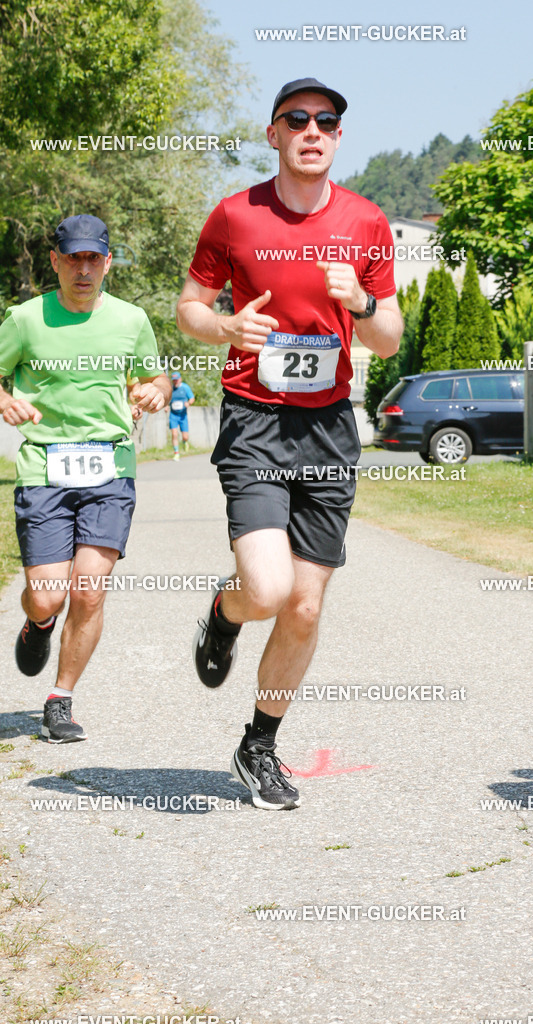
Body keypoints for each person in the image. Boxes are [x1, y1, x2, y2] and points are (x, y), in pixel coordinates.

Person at [176, 78, 403, 809]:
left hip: (328, 425)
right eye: (296, 119)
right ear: (273, 133)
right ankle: (224, 612)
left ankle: (258, 746)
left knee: (304, 605)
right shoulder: (235, 216)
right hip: (255, 419)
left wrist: (360, 303)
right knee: (267, 591)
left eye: (327, 120)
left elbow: (387, 336)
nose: (312, 129)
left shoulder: (366, 223)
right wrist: (225, 327)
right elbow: (189, 307)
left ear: (338, 137)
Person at [0, 214, 170, 743]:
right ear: (55, 261)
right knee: (48, 595)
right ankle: (39, 623)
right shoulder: (25, 319)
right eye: (72, 257)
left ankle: (61, 698)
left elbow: (153, 375)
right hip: (45, 468)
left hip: (110, 467)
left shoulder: (131, 319)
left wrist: (156, 390)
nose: (83, 268)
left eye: (92, 258)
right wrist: (6, 399)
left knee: (89, 591)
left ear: (107, 263)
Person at [168, 371, 195, 460]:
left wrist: (188, 403)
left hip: (183, 416)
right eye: (174, 380)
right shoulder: (170, 389)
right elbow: (167, 400)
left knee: (185, 436)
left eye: (176, 380)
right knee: (174, 434)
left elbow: (192, 398)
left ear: (180, 379)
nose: (175, 381)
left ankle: (185, 442)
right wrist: (166, 407)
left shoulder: (185, 387)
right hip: (173, 415)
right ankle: (176, 453)